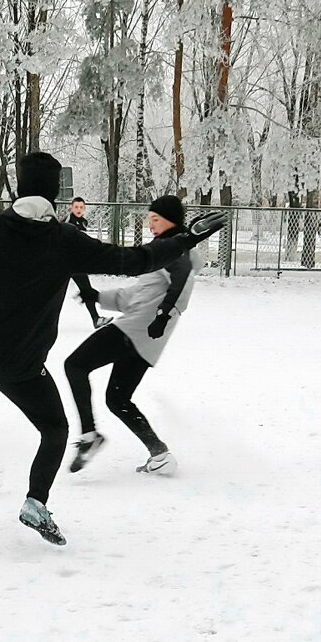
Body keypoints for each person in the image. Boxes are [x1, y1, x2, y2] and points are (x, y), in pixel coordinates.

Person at [0, 153, 225, 546]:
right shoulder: (64, 240)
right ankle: (35, 502)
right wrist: (186, 239)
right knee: (55, 430)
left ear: (19, 188)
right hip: (22, 367)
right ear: (55, 194)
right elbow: (133, 262)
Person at [63, 195, 200, 478]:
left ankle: (89, 435)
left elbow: (183, 282)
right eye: (149, 219)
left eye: (155, 220)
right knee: (118, 399)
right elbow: (134, 296)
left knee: (75, 365)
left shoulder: (175, 252)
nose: (150, 225)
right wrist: (97, 296)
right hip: (147, 340)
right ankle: (159, 453)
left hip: (135, 330)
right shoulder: (164, 253)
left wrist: (164, 314)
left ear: (171, 221)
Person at [66, 196, 110, 329]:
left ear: (84, 209)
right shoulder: (69, 223)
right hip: (68, 263)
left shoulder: (82, 222)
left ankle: (96, 318)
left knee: (86, 289)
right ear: (71, 208)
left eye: (81, 207)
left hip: (75, 264)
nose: (78, 210)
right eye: (76, 207)